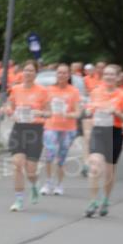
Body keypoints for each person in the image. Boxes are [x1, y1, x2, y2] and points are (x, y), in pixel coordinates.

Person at [83, 64, 123, 217]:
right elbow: (88, 110)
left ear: (118, 77)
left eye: (112, 74)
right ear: (102, 76)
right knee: (95, 166)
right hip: (99, 131)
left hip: (115, 133)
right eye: (106, 74)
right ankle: (92, 202)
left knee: (109, 171)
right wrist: (88, 110)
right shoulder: (96, 92)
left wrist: (116, 112)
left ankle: (105, 199)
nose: (109, 77)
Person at [3, 60, 49, 211]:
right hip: (19, 129)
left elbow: (50, 112)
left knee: (31, 170)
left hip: (35, 130)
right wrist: (9, 111)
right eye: (26, 70)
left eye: (31, 71)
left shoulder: (42, 91)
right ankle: (19, 200)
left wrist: (40, 112)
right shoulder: (15, 89)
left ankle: (34, 185)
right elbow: (9, 105)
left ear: (36, 74)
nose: (28, 73)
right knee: (17, 164)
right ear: (22, 72)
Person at [40, 63, 81, 195]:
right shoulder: (49, 90)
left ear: (69, 75)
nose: (62, 75)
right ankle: (48, 183)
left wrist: (67, 114)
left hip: (68, 128)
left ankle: (59, 184)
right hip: (51, 126)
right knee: (49, 153)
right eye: (59, 72)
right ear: (56, 74)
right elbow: (44, 109)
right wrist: (46, 112)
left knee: (61, 157)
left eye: (64, 73)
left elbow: (78, 113)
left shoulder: (74, 91)